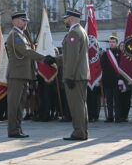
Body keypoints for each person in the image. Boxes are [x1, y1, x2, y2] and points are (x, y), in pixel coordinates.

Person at [47, 8, 90, 140]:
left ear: (70, 18)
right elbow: (70, 55)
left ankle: (79, 132)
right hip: (81, 75)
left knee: (76, 105)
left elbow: (72, 57)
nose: (64, 20)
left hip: (75, 76)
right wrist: (55, 59)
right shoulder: (81, 31)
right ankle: (83, 131)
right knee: (81, 105)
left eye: (65, 18)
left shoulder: (74, 33)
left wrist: (69, 76)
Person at [5, 10, 45, 138]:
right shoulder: (14, 35)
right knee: (14, 104)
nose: (25, 22)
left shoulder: (21, 35)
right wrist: (44, 58)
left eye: (26, 20)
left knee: (20, 104)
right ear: (15, 21)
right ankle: (13, 130)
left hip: (22, 74)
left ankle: (17, 128)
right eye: (23, 20)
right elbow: (26, 51)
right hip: (16, 74)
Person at [100, 35, 121, 122]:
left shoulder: (120, 53)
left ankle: (118, 117)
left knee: (117, 100)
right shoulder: (105, 54)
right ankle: (110, 117)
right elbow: (102, 66)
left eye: (113, 42)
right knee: (109, 100)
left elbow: (122, 67)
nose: (111, 44)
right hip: (107, 80)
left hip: (117, 80)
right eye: (110, 42)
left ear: (116, 43)